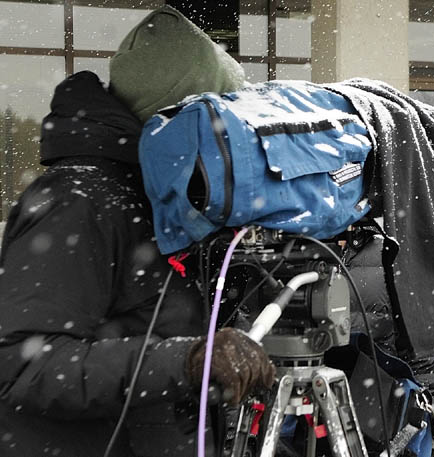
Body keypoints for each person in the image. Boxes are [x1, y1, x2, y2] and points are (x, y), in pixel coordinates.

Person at [0, 7, 272, 457]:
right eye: (222, 127)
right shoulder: (80, 201)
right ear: (182, 120)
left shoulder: (159, 195)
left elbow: (154, 316)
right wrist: (187, 362)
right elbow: (22, 365)